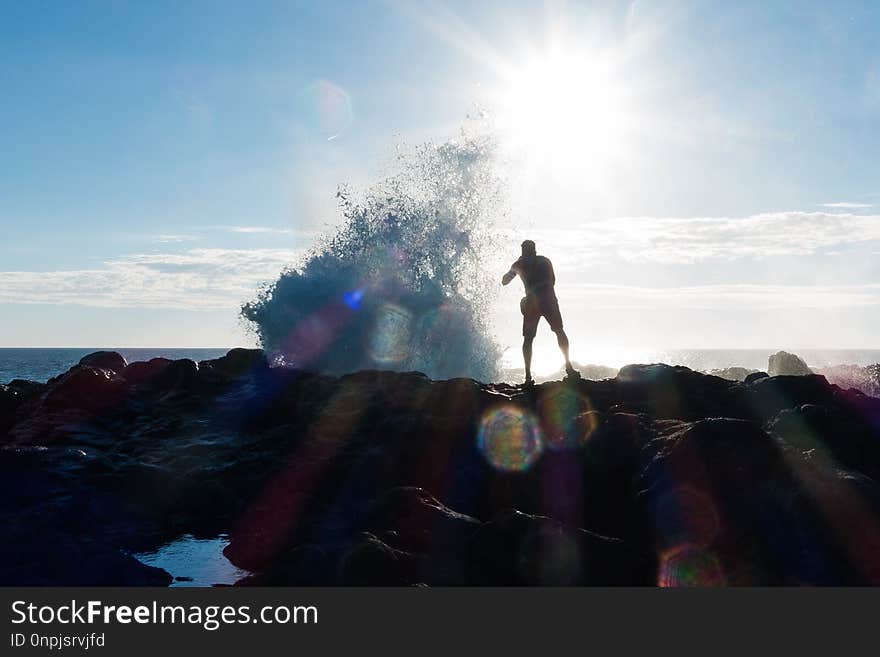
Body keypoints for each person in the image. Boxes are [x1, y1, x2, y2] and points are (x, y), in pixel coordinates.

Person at [502, 240, 577, 385]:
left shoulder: (519, 264)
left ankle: (528, 377)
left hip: (533, 304)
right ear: (534, 250)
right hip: (549, 300)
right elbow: (552, 281)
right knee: (559, 331)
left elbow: (505, 281)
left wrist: (518, 269)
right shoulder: (544, 261)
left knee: (529, 339)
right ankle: (569, 368)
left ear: (524, 251)